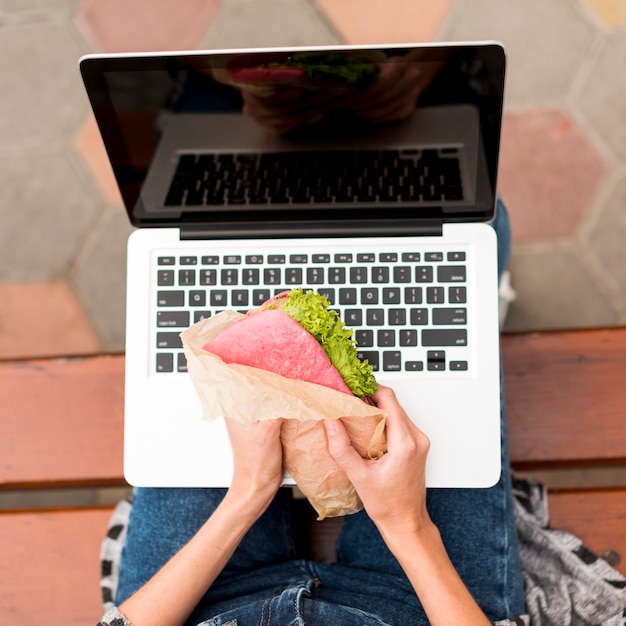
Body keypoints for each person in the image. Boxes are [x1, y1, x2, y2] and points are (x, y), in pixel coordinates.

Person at [99, 201, 529, 626]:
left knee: (199, 212)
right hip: (413, 604)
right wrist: (408, 527)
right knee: (480, 215)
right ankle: (480, 311)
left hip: (202, 604)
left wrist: (248, 493)